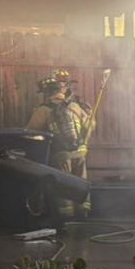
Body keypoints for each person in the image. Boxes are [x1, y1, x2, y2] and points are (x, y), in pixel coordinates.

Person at [26, 69, 93, 218]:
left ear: (47, 92)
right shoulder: (75, 106)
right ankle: (83, 212)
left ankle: (65, 218)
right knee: (80, 183)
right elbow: (91, 125)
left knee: (63, 185)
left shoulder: (44, 110)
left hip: (60, 154)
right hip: (80, 153)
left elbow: (31, 133)